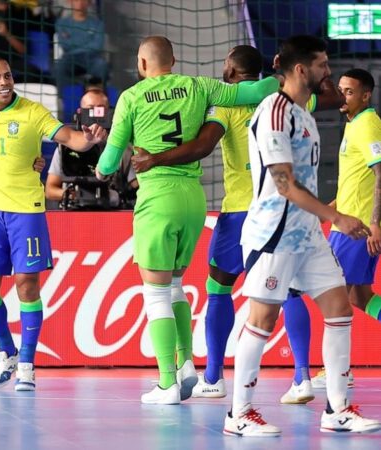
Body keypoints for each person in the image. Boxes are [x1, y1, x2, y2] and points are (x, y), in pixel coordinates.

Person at [130, 45, 344, 404]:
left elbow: (201, 146)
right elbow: (331, 95)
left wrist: (156, 158)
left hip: (240, 214)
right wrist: (309, 71)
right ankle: (302, 377)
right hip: (287, 210)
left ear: (230, 71)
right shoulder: (289, 100)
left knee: (218, 288)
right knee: (288, 290)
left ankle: (213, 378)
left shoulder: (224, 106)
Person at [96, 35, 280, 404]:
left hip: (158, 198)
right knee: (176, 286)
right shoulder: (200, 87)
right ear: (174, 59)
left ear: (142, 64)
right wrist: (277, 72)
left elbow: (106, 163)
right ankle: (186, 367)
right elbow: (259, 89)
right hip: (193, 199)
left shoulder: (131, 98)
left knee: (155, 293)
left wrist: (101, 163)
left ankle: (167, 383)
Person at [222, 35, 380, 436]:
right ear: (299, 69)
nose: (328, 72)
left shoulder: (304, 112)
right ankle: (238, 414)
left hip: (307, 235)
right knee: (262, 317)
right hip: (274, 233)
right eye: (323, 65)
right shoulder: (274, 112)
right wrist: (338, 217)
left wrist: (326, 218)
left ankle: (338, 410)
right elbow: (284, 183)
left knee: (339, 309)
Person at [0, 55, 107, 391]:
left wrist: (89, 140)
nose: (4, 82)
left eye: (7, 76)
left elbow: (69, 137)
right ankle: (6, 352)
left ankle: (26, 364)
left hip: (27, 211)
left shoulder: (33, 112)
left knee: (26, 284)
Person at [300, 69, 381, 389]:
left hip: (357, 228)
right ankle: (340, 369)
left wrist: (375, 223)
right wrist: (331, 207)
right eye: (342, 90)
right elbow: (358, 179)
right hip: (350, 222)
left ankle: (340, 371)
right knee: (359, 296)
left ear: (366, 95)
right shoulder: (356, 125)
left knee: (332, 295)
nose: (343, 96)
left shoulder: (368, 125)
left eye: (350, 92)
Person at [46, 88, 137, 210]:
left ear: (110, 112)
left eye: (100, 109)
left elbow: (136, 185)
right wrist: (74, 196)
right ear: (79, 112)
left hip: (112, 212)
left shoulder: (122, 147)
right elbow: (50, 189)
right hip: (74, 212)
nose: (95, 113)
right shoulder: (66, 148)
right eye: (90, 108)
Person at [55, 0, 108, 93]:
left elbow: (97, 46)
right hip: (70, 58)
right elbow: (65, 45)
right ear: (70, 2)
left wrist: (75, 46)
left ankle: (98, 96)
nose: (79, 3)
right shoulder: (62, 23)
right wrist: (85, 45)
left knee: (102, 66)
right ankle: (65, 99)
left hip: (91, 58)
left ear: (89, 2)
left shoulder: (98, 24)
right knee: (59, 67)